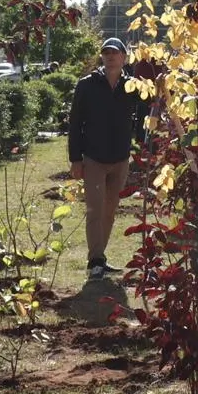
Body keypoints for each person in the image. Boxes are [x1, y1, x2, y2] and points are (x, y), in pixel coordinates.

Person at [68, 37, 146, 280]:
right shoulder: (87, 85)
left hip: (120, 158)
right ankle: (95, 261)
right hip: (93, 158)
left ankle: (100, 257)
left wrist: (143, 147)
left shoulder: (132, 86)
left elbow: (145, 113)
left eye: (115, 52)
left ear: (124, 57)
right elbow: (74, 123)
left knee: (110, 210)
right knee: (95, 209)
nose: (110, 56)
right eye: (106, 52)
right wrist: (75, 159)